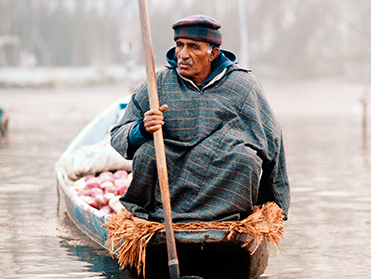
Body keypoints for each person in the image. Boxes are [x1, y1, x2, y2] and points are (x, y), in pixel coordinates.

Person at [110, 15, 290, 223]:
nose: (183, 54)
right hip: (168, 180)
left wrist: (276, 205)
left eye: (194, 47)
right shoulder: (157, 84)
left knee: (245, 159)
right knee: (147, 151)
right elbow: (117, 135)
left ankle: (224, 219)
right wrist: (141, 129)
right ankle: (157, 219)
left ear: (213, 53)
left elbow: (272, 140)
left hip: (221, 180)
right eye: (179, 45)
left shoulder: (243, 85)